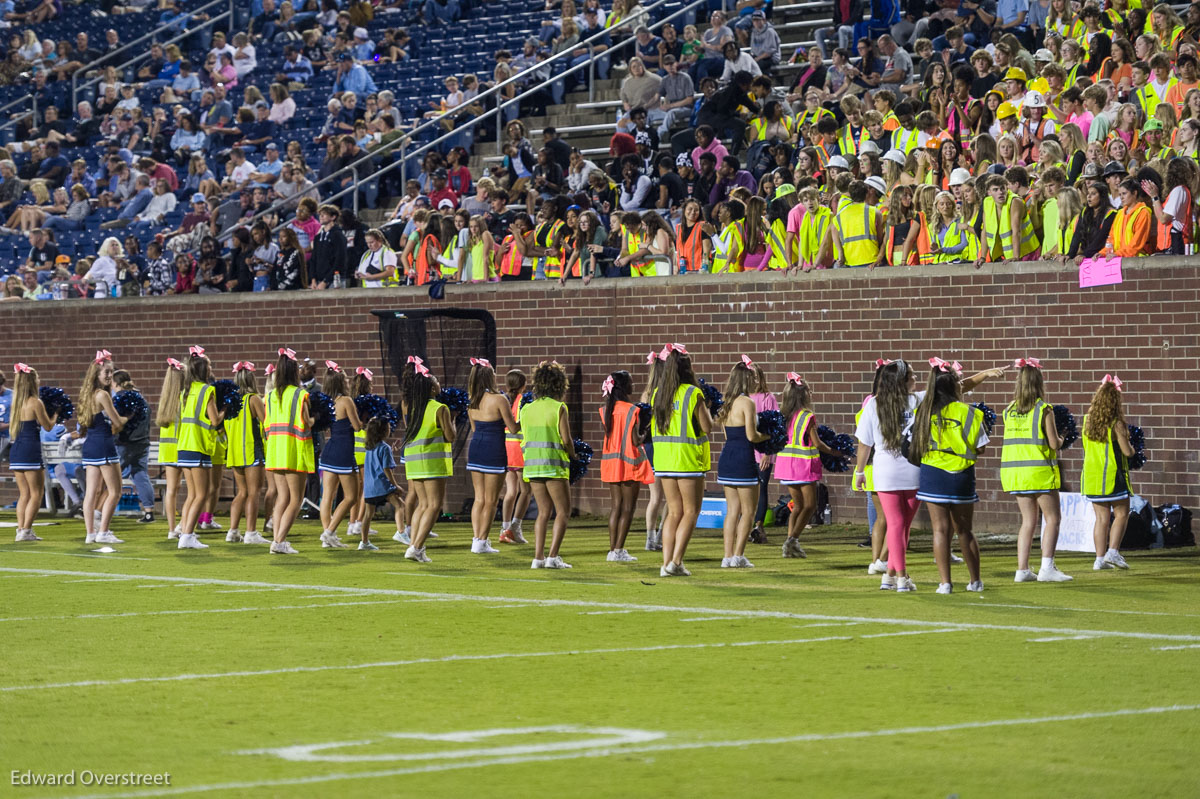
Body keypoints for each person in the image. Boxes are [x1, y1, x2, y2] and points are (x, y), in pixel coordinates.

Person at [908, 358, 1008, 594]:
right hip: (962, 474)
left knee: (940, 530)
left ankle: (945, 584)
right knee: (965, 530)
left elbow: (917, 443)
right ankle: (975, 581)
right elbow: (981, 447)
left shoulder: (922, 411)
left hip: (933, 473)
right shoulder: (970, 413)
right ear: (955, 386)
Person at [1001, 357, 1071, 583]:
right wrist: (1063, 437)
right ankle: (1047, 568)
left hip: (1016, 474)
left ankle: (1022, 570)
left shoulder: (1009, 410)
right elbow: (1053, 444)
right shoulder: (1044, 409)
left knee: (1028, 521)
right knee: (1052, 519)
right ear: (1039, 383)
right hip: (1039, 473)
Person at [651, 344, 712, 576]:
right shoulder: (692, 393)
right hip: (686, 461)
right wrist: (709, 409)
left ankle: (666, 564)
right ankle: (676, 561)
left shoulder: (658, 394)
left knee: (674, 512)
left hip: (664, 461)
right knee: (691, 512)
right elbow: (707, 427)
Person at [774, 372, 836, 559]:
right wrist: (835, 452)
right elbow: (817, 443)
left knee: (798, 506)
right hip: (802, 465)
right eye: (809, 390)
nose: (811, 393)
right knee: (810, 505)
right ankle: (791, 540)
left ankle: (790, 545)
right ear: (802, 395)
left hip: (786, 465)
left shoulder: (783, 415)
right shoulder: (807, 416)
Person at [715, 356, 769, 568]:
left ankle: (727, 557)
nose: (756, 381)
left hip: (727, 457)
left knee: (732, 510)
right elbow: (751, 436)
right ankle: (738, 556)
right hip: (744, 458)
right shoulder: (747, 402)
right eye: (753, 377)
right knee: (748, 511)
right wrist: (769, 437)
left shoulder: (726, 403)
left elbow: (728, 435)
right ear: (746, 380)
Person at [522, 359, 576, 569]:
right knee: (563, 512)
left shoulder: (526, 409)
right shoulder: (558, 407)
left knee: (543, 512)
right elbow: (566, 439)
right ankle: (553, 556)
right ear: (559, 384)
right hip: (554, 466)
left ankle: (538, 558)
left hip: (533, 467)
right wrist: (574, 456)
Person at [401, 358, 455, 563]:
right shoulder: (440, 408)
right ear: (432, 388)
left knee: (422, 505)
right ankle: (415, 547)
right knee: (434, 505)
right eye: (436, 381)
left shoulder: (412, 407)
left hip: (414, 461)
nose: (439, 384)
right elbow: (451, 436)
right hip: (432, 461)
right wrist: (455, 419)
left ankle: (415, 546)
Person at [1082, 374, 1136, 571]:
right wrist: (1133, 446)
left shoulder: (1087, 420)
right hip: (1112, 476)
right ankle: (1113, 552)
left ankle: (1099, 559)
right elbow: (1127, 451)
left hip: (1092, 477)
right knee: (1122, 513)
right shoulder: (1116, 423)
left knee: (1101, 518)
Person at [466, 357, 519, 554]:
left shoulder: (472, 402)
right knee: (491, 500)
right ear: (490, 377)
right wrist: (526, 419)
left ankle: (476, 540)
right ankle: (482, 541)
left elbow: (473, 428)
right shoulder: (499, 399)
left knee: (479, 498)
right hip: (494, 450)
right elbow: (513, 428)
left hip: (476, 449)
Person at [598, 370, 652, 563]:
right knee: (628, 508)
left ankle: (612, 550)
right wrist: (646, 432)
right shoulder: (632, 410)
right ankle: (619, 550)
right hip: (629, 462)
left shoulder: (605, 410)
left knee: (616, 507)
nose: (633, 385)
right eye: (630, 381)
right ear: (623, 386)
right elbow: (635, 441)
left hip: (611, 462)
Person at [265, 347, 314, 554]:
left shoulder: (269, 396)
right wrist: (319, 418)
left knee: (282, 498)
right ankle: (279, 541)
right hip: (293, 450)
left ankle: (278, 540)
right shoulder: (300, 394)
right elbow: (307, 422)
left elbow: (267, 426)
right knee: (295, 499)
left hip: (275, 451)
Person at [79, 350, 128, 546]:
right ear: (96, 374)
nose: (110, 376)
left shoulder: (87, 395)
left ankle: (90, 533)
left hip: (90, 446)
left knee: (91, 492)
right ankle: (104, 532)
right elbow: (117, 422)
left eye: (111, 372)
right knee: (115, 491)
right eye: (106, 372)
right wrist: (129, 416)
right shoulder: (102, 395)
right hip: (104, 446)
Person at [175, 347, 222, 551]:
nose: (211, 369)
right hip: (199, 446)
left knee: (192, 495)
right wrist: (226, 409)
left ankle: (186, 533)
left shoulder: (185, 391)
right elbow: (214, 420)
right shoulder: (207, 390)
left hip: (184, 446)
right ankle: (187, 536)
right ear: (203, 370)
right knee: (201, 495)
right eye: (209, 366)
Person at [316, 361, 362, 549]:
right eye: (345, 378)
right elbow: (358, 426)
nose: (348, 381)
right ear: (340, 382)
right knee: (351, 496)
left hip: (329, 450)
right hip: (343, 451)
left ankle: (329, 536)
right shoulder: (346, 401)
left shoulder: (327, 403)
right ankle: (329, 532)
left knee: (327, 497)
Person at [8, 363, 55, 542]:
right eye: (37, 378)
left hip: (17, 450)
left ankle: (21, 529)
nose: (39, 380)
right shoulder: (35, 402)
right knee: (36, 493)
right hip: (30, 451)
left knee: (24, 494)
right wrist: (56, 414)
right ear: (31, 381)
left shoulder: (16, 403)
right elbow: (48, 426)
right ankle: (26, 530)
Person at [224, 360, 268, 545]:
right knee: (254, 492)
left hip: (234, 452)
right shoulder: (253, 399)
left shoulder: (229, 401)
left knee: (241, 492)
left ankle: (233, 531)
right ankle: (251, 532)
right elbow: (266, 423)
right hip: (251, 450)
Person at [112, 369, 155, 525]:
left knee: (111, 475)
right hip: (142, 442)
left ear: (115, 383)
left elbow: (117, 421)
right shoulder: (141, 398)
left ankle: (98, 510)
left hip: (125, 443)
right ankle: (149, 512)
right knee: (140, 474)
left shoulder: (121, 397)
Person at [361, 416, 404, 549]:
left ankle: (364, 542)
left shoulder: (370, 447)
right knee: (400, 505)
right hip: (381, 485)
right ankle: (401, 532)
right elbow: (386, 469)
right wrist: (395, 485)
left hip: (369, 488)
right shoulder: (384, 448)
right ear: (383, 430)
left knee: (368, 514)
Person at [500, 369, 531, 545]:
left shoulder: (503, 399)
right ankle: (514, 528)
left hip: (505, 448)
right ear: (523, 384)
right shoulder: (524, 401)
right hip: (518, 449)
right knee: (526, 491)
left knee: (511, 491)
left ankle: (504, 529)